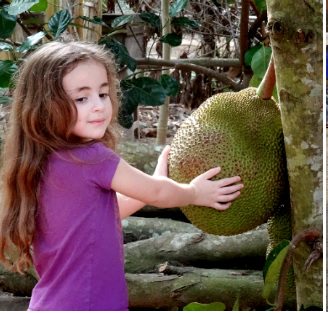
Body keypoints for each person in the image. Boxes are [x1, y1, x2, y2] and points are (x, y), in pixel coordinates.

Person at [0, 42, 243, 310]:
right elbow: (158, 193)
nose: (98, 106)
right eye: (82, 98)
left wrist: (155, 179)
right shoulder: (91, 158)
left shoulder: (43, 160)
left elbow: (100, 216)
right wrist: (195, 192)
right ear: (45, 107)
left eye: (103, 94)